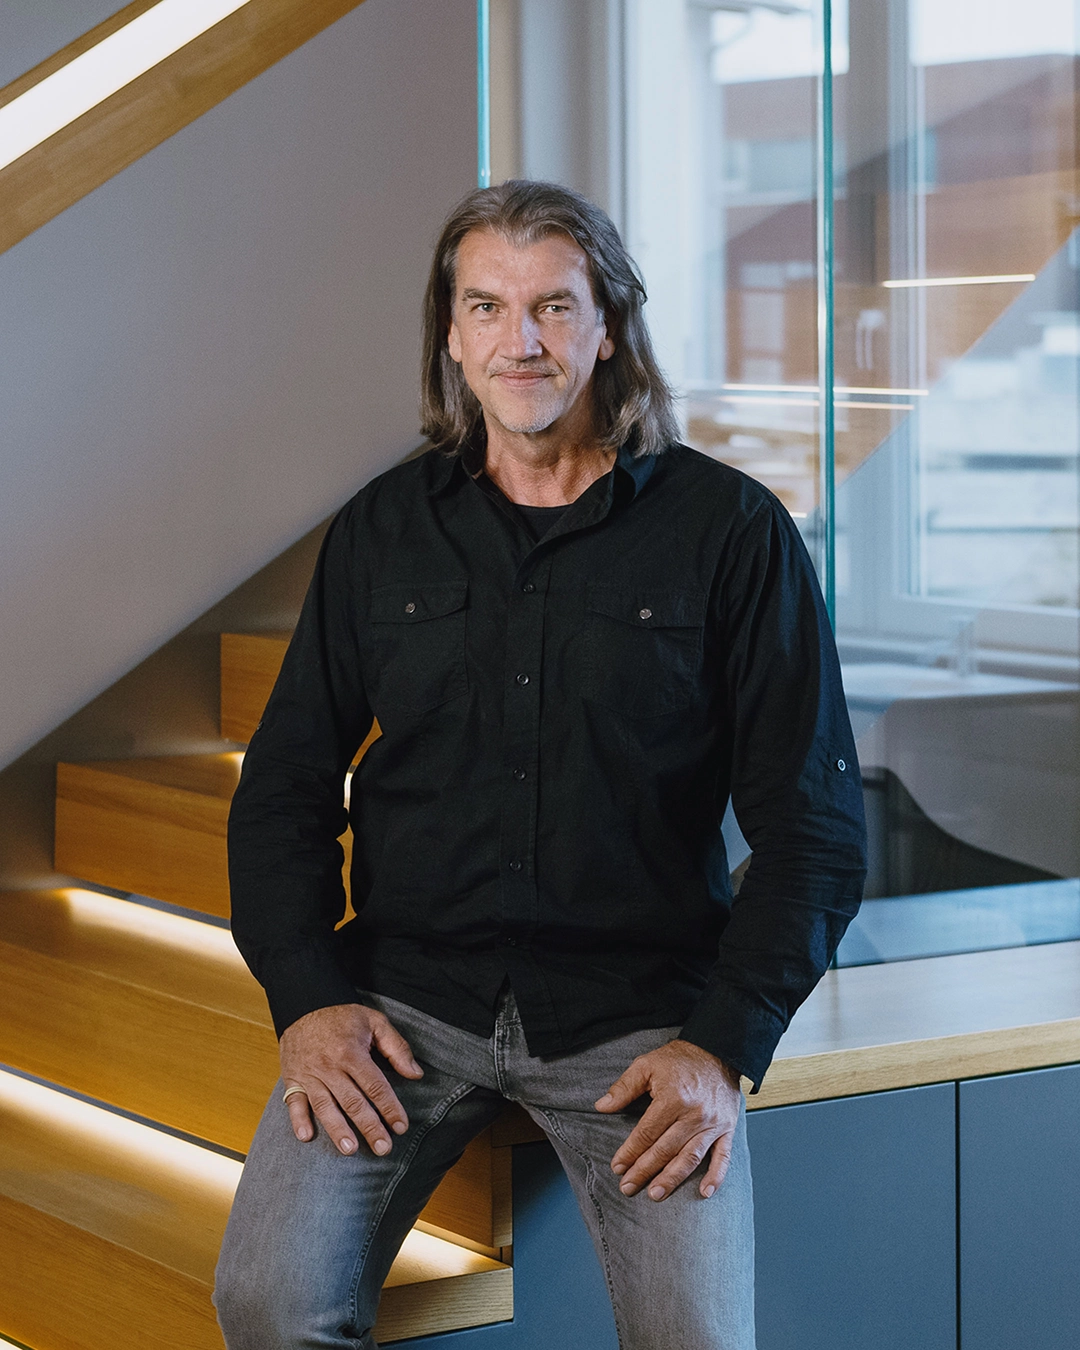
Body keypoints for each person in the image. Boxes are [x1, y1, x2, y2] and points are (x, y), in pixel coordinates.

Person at [215, 179, 867, 1350]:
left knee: (700, 1342)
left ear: (608, 326)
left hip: (638, 1024)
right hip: (406, 1007)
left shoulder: (731, 533)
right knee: (267, 1302)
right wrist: (308, 1000)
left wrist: (723, 1045)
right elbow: (283, 793)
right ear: (451, 333)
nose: (520, 342)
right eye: (488, 308)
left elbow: (816, 831)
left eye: (554, 307)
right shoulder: (380, 531)